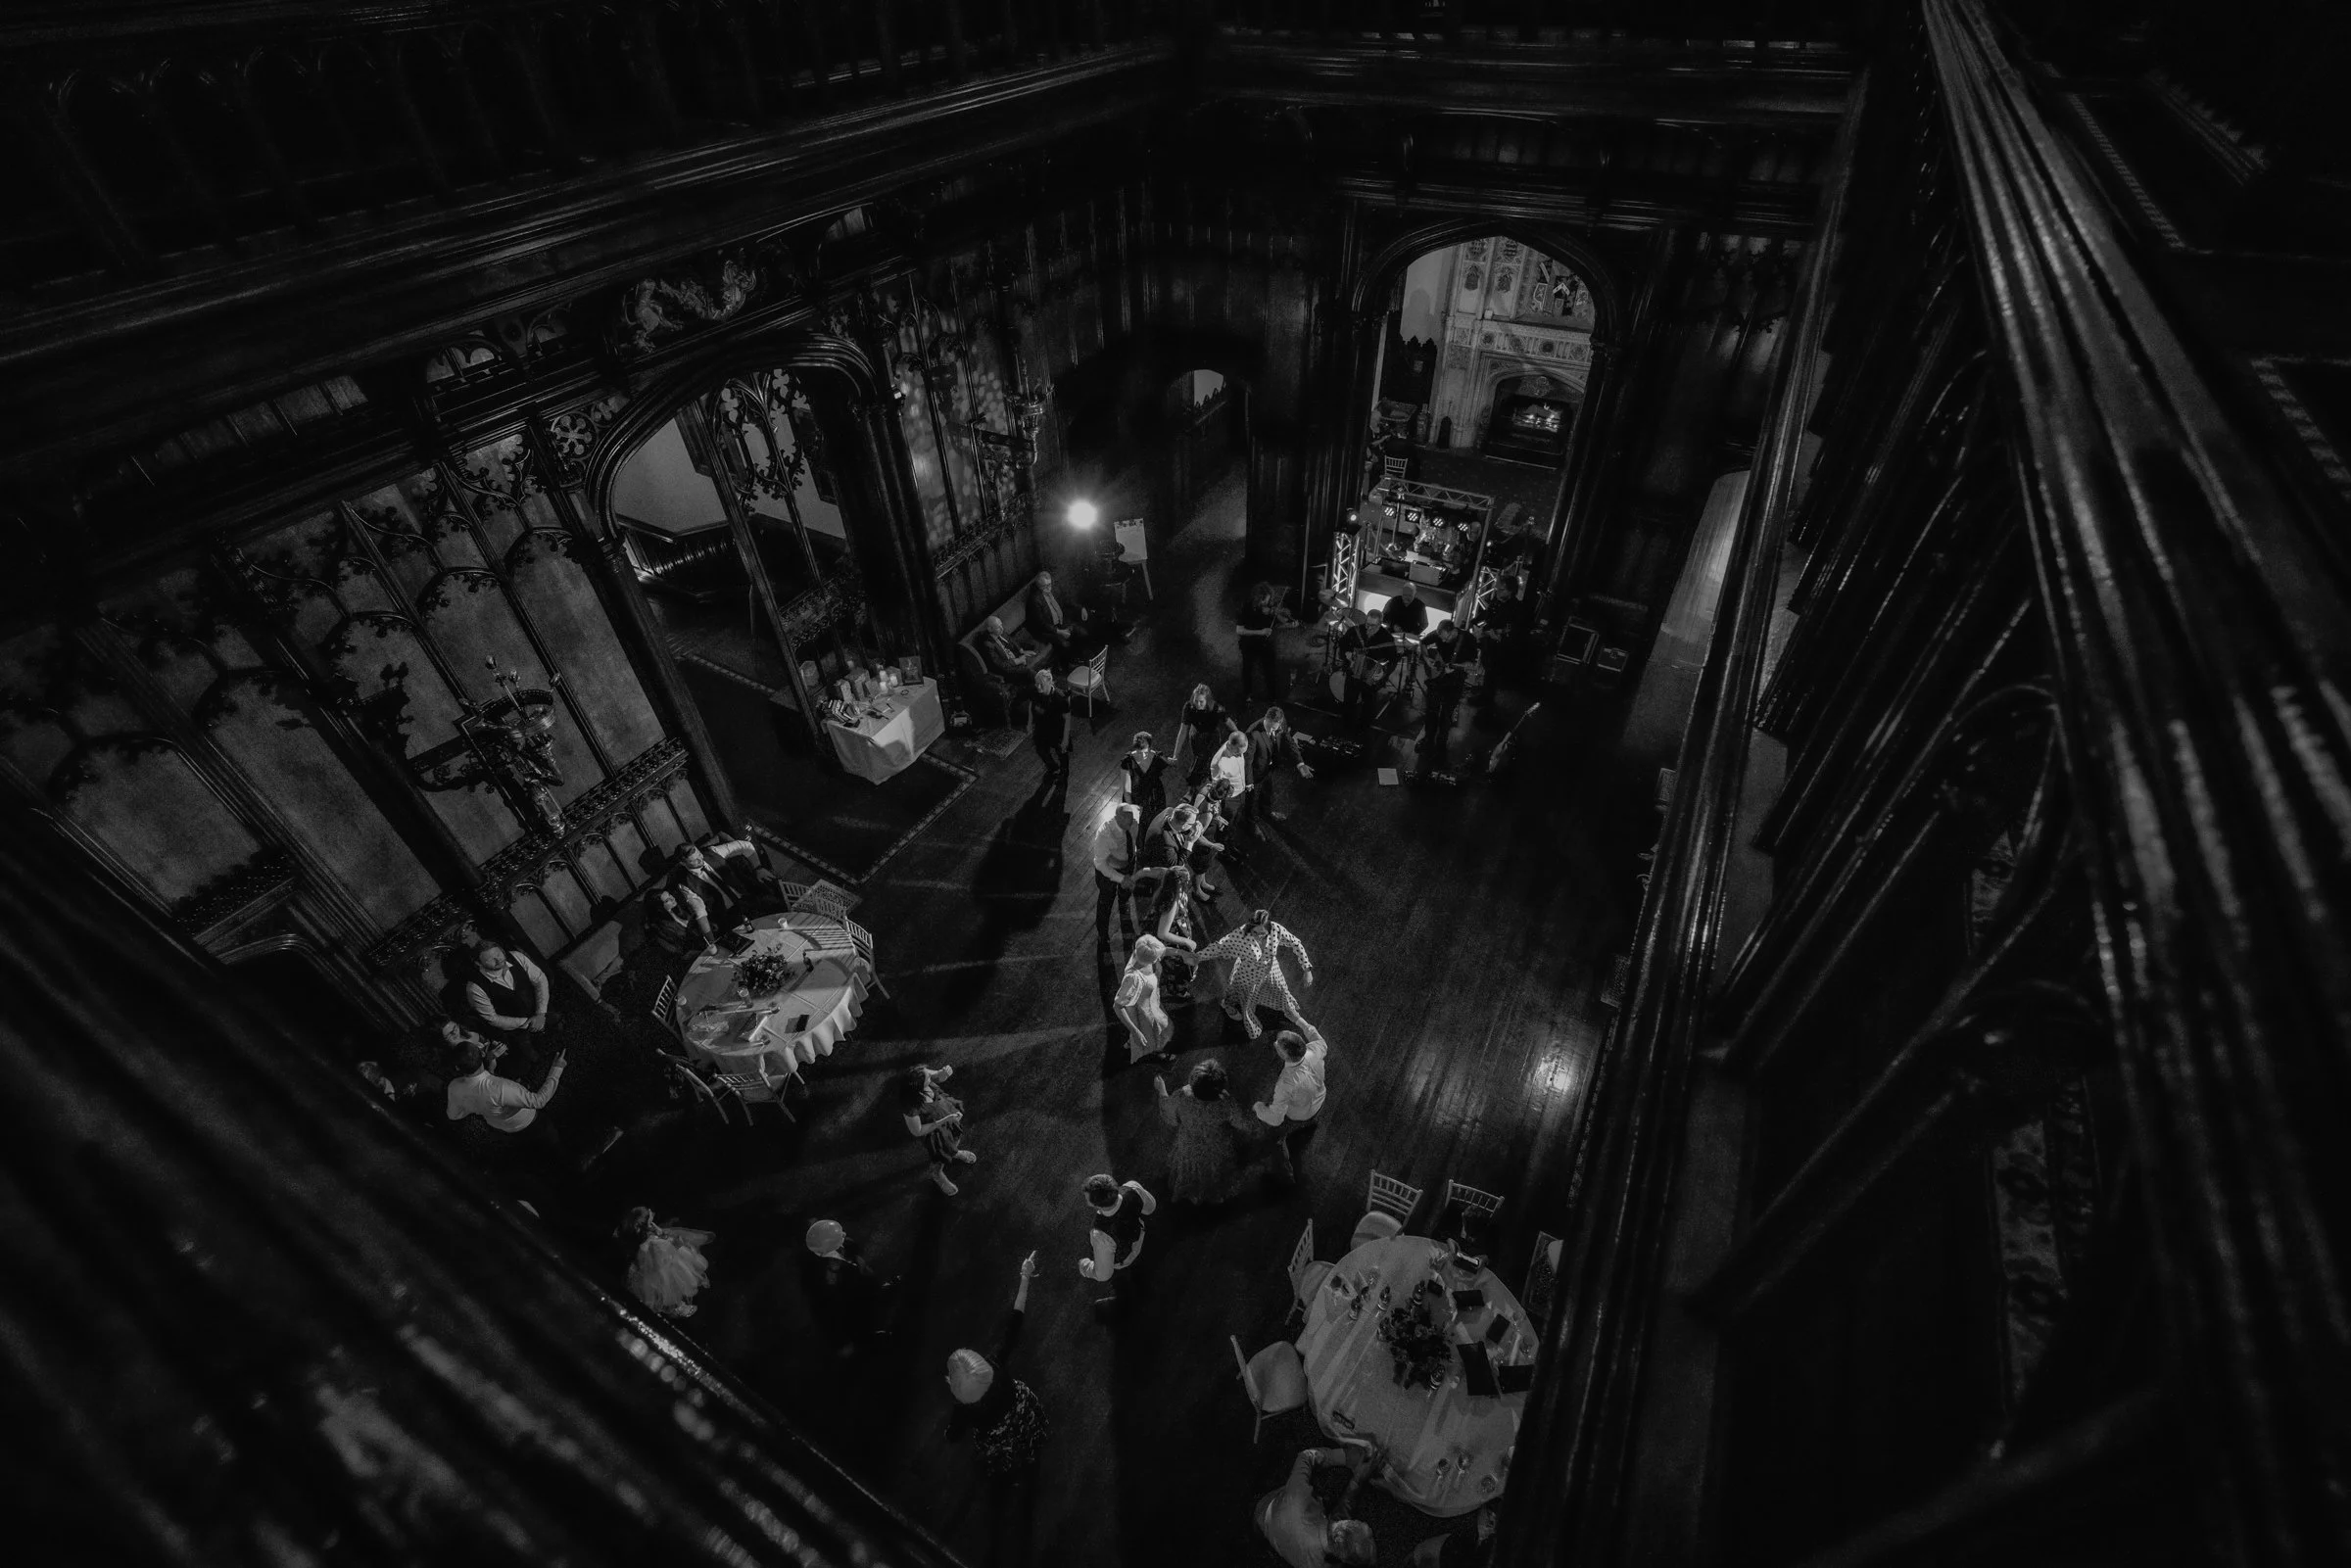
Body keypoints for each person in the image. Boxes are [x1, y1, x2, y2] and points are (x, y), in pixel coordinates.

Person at [947, 1250, 1051, 1475]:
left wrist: (949, 1432)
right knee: (1028, 1433)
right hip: (1020, 1408)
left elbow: (954, 1436)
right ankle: (1034, 1445)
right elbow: (1015, 1321)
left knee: (1004, 1453)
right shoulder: (995, 1363)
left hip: (998, 1432)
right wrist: (1025, 1275)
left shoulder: (964, 1408)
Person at [1255, 1443, 1378, 1568]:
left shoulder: (1299, 1497)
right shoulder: (1298, 1498)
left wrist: (1344, 1457)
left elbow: (1305, 1457)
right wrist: (1355, 1478)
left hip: (1268, 1516)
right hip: (1271, 1510)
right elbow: (1305, 1457)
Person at [1195, 908, 1313, 1039]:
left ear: (1269, 928)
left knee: (1282, 993)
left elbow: (1295, 943)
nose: (1258, 936)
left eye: (1262, 933)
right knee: (1243, 997)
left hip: (1270, 969)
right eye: (1254, 932)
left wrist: (1307, 969)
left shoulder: (1276, 929)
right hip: (1248, 973)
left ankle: (1303, 1025)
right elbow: (1219, 947)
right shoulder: (1240, 934)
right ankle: (1228, 1005)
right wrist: (1197, 957)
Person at [1154, 1058, 1258, 1203]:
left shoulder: (1183, 1095)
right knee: (1215, 1172)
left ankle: (1190, 1194)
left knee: (1190, 1170)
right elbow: (1242, 1123)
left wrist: (1162, 1091)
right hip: (1217, 1147)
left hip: (1189, 1145)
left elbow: (1169, 1114)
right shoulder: (1226, 1102)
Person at [444, 1025, 567, 1137]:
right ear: (482, 1053)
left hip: (502, 1128)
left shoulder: (453, 1087)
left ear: (457, 1067)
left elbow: (453, 1115)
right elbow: (538, 1101)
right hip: (529, 1122)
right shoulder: (501, 1087)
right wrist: (557, 1069)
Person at [804, 1218, 897, 1354]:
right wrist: (842, 1343)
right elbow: (828, 1306)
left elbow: (865, 1277)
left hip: (864, 1304)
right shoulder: (827, 1268)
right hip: (852, 1324)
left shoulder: (848, 1252)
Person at [1253, 1025, 1329, 1185]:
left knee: (1276, 1138)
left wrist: (1258, 1107)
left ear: (1283, 1055)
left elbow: (1275, 1119)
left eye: (1278, 1044)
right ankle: (1309, 1126)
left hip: (1298, 1115)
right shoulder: (1313, 1050)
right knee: (1309, 1122)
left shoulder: (1285, 1083)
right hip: (1320, 1101)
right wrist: (1297, 1019)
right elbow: (1319, 1039)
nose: (1275, 1044)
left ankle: (1286, 1175)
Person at [1076, 1172, 1157, 1315]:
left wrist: (1084, 1266)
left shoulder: (1099, 1234)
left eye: (1088, 1200)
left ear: (1096, 1205)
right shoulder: (1132, 1188)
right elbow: (1150, 1208)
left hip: (1124, 1260)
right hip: (1140, 1235)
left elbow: (1104, 1275)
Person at [620, 1206, 715, 1319]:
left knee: (679, 1272)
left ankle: (679, 1304)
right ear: (645, 1221)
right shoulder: (649, 1241)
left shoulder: (650, 1228)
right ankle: (679, 1306)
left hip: (665, 1249)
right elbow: (658, 1249)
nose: (652, 1214)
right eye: (649, 1216)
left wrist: (666, 1237)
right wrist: (667, 1242)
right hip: (661, 1254)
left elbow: (661, 1234)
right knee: (667, 1280)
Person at [900, 1063, 980, 1196]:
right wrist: (945, 1120)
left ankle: (955, 1152)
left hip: (946, 1113)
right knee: (941, 1152)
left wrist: (943, 1075)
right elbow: (917, 1131)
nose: (930, 1076)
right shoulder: (910, 1106)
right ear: (919, 1087)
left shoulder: (920, 1074)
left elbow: (936, 1075)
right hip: (935, 1131)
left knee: (955, 1136)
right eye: (928, 1078)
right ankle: (936, 1173)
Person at [1114, 933, 1190, 1066]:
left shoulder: (1140, 951)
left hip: (1152, 1004)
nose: (1159, 958)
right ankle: (1156, 1053)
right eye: (1157, 958)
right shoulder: (1133, 978)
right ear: (1151, 960)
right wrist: (1135, 1031)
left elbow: (1162, 951)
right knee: (1153, 1035)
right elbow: (1118, 1006)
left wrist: (1182, 953)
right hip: (1143, 1012)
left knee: (1156, 1030)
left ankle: (1133, 1042)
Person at [1243, 706, 1315, 827]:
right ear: (1266, 718)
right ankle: (1249, 823)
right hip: (1255, 772)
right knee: (1250, 800)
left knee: (1267, 791)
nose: (1273, 730)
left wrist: (1300, 764)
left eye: (1275, 728)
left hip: (1269, 767)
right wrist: (1248, 782)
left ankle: (1265, 813)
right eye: (1269, 727)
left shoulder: (1281, 724)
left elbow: (1289, 742)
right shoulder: (1252, 732)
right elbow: (1247, 761)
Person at [465, 943, 551, 1040]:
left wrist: (540, 1013)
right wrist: (530, 1023)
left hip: (543, 1011)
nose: (498, 960)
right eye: (490, 959)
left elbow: (540, 980)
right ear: (478, 963)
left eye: (498, 954)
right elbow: (492, 1018)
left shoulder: (516, 956)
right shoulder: (474, 987)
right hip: (518, 1030)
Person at [1147, 867, 1202, 1006]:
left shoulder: (1171, 891)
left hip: (1178, 932)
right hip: (1172, 942)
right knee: (1179, 969)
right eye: (1187, 881)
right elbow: (1162, 933)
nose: (1189, 883)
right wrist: (1186, 942)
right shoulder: (1171, 902)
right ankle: (1177, 991)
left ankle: (1172, 984)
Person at [1337, 608, 1397, 729]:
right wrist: (1346, 654)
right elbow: (1342, 645)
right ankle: (1346, 726)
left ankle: (1363, 728)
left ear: (1380, 624)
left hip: (1372, 674)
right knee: (1349, 701)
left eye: (1373, 626)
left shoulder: (1387, 638)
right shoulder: (1355, 631)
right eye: (1367, 624)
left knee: (1369, 704)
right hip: (1353, 670)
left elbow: (1393, 660)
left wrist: (1383, 675)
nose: (1369, 628)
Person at [1092, 800, 1146, 929]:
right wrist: (1121, 879)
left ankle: (1124, 910)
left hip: (1128, 863)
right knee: (1105, 902)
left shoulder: (1133, 817)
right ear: (1116, 818)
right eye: (1127, 822)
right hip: (1109, 871)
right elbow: (1100, 863)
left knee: (1125, 894)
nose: (1131, 823)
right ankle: (1103, 934)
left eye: (1132, 820)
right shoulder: (1105, 834)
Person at [1024, 569, 1095, 666]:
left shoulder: (1054, 589)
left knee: (1082, 633)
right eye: (1045, 586)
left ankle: (1081, 657)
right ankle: (1070, 664)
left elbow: (1067, 600)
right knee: (1064, 644)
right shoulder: (1035, 600)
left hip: (1060, 622)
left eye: (1050, 584)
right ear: (1039, 586)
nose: (1049, 588)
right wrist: (1060, 632)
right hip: (1047, 630)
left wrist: (1080, 608)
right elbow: (1042, 624)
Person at [1174, 683, 1237, 787]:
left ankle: (1210, 781)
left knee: (1213, 759)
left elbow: (1228, 722)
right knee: (1198, 759)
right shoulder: (1189, 707)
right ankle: (1193, 787)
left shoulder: (1216, 708)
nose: (1198, 704)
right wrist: (1176, 755)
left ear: (1207, 700)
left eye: (1201, 702)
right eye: (1196, 701)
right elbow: (1183, 731)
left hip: (1212, 737)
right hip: (1196, 735)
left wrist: (1237, 734)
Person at [1416, 655, 1469, 777]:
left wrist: (1454, 669)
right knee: (1431, 713)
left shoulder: (1468, 640)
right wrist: (1427, 660)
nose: (1441, 636)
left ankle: (1441, 746)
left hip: (1454, 683)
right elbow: (1424, 643)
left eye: (1442, 634)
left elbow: (1470, 665)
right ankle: (1428, 740)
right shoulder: (1436, 636)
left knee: (1446, 715)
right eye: (1439, 634)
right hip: (1436, 681)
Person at [1237, 581, 1282, 700]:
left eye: (1268, 600)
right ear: (1257, 598)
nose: (1267, 603)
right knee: (1247, 669)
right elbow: (1239, 630)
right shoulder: (1246, 607)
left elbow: (1275, 625)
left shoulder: (1269, 608)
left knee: (1270, 670)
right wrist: (1260, 632)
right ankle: (1247, 695)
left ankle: (1272, 697)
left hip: (1265, 644)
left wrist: (1289, 624)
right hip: (1249, 644)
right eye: (1264, 600)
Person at [643, 879, 713, 955]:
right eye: (667, 900)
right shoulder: (662, 930)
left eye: (670, 895)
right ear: (660, 908)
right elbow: (681, 954)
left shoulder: (682, 910)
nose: (672, 899)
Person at [1119, 730, 1172, 827]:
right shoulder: (1127, 761)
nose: (1142, 756)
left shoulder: (1157, 758)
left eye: (1145, 753)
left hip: (1154, 794)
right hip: (1135, 794)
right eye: (1138, 753)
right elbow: (1126, 789)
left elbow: (1171, 763)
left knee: (1155, 821)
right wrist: (1132, 809)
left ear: (1150, 748)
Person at [1029, 668, 1074, 779]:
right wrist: (1029, 722)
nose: (1038, 687)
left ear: (1050, 682)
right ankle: (1052, 767)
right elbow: (1031, 704)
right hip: (1041, 729)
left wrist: (1065, 740)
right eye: (1037, 684)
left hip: (1056, 731)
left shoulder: (1060, 699)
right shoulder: (1036, 691)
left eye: (1041, 684)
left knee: (1061, 753)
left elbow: (1067, 719)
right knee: (1041, 750)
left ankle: (1064, 772)